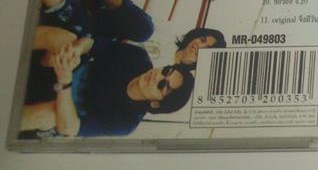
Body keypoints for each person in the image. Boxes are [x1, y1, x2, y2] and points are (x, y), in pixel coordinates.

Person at [20, 26, 194, 138]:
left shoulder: (126, 122)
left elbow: (69, 128)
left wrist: (64, 82)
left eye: (163, 85)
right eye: (166, 71)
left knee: (49, 115)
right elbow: (91, 44)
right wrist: (76, 50)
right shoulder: (138, 57)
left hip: (60, 102)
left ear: (155, 103)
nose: (157, 77)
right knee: (64, 39)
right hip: (63, 69)